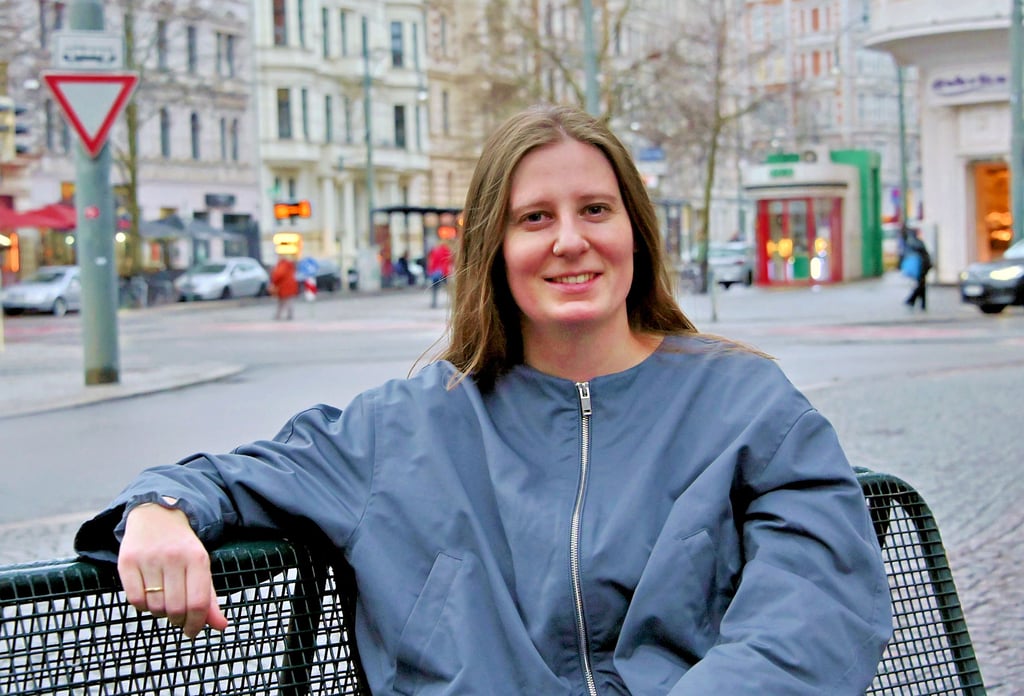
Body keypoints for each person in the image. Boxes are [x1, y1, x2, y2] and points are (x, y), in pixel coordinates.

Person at [75, 104, 891, 694]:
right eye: (534, 217)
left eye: (595, 210)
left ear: (634, 231)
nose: (570, 240)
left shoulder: (745, 406)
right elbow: (227, 477)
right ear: (493, 251)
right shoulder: (405, 427)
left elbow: (813, 608)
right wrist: (158, 507)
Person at [902, 227, 932, 311]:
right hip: (920, 266)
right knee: (921, 284)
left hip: (923, 265)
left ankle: (916, 302)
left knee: (921, 284)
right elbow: (921, 251)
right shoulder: (914, 242)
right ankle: (914, 300)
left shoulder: (912, 241)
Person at [269, 255, 298, 320]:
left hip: (284, 286)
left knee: (283, 301)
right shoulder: (289, 265)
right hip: (290, 285)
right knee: (287, 301)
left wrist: (273, 280)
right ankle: (286, 314)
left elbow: (278, 274)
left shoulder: (283, 265)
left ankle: (280, 315)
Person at [426, 239, 453, 307]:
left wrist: (431, 271)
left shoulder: (435, 250)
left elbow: (432, 262)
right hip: (444, 272)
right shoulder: (446, 250)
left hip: (436, 272)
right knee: (448, 287)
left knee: (435, 288)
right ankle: (453, 301)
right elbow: (449, 260)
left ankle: (434, 303)